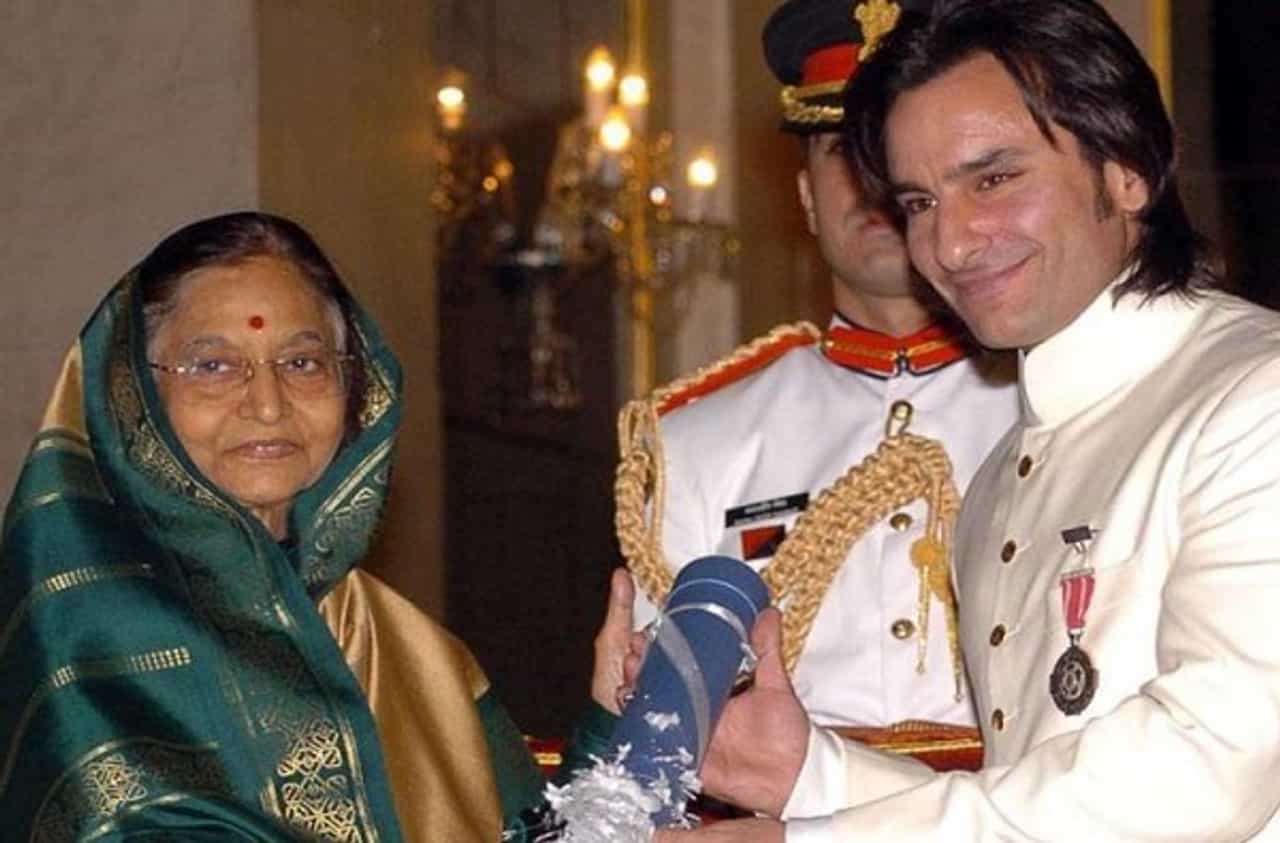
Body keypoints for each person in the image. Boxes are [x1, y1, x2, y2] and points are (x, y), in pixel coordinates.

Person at [655, 0, 1280, 840]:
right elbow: (1030, 803)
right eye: (919, 202)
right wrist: (812, 772)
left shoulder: (1256, 395)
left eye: (993, 179)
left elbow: (1206, 766)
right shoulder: (997, 482)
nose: (949, 244)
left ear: (1127, 168)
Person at [0, 211, 630, 842]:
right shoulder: (83, 633)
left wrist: (614, 728)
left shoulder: (408, 653)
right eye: (213, 366)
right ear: (132, 394)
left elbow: (536, 835)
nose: (268, 404)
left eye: (302, 363)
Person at [615, 0, 1018, 759]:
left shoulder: (1059, 398)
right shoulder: (696, 439)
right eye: (844, 148)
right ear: (804, 196)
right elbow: (663, 732)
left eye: (896, 146)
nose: (877, 179)